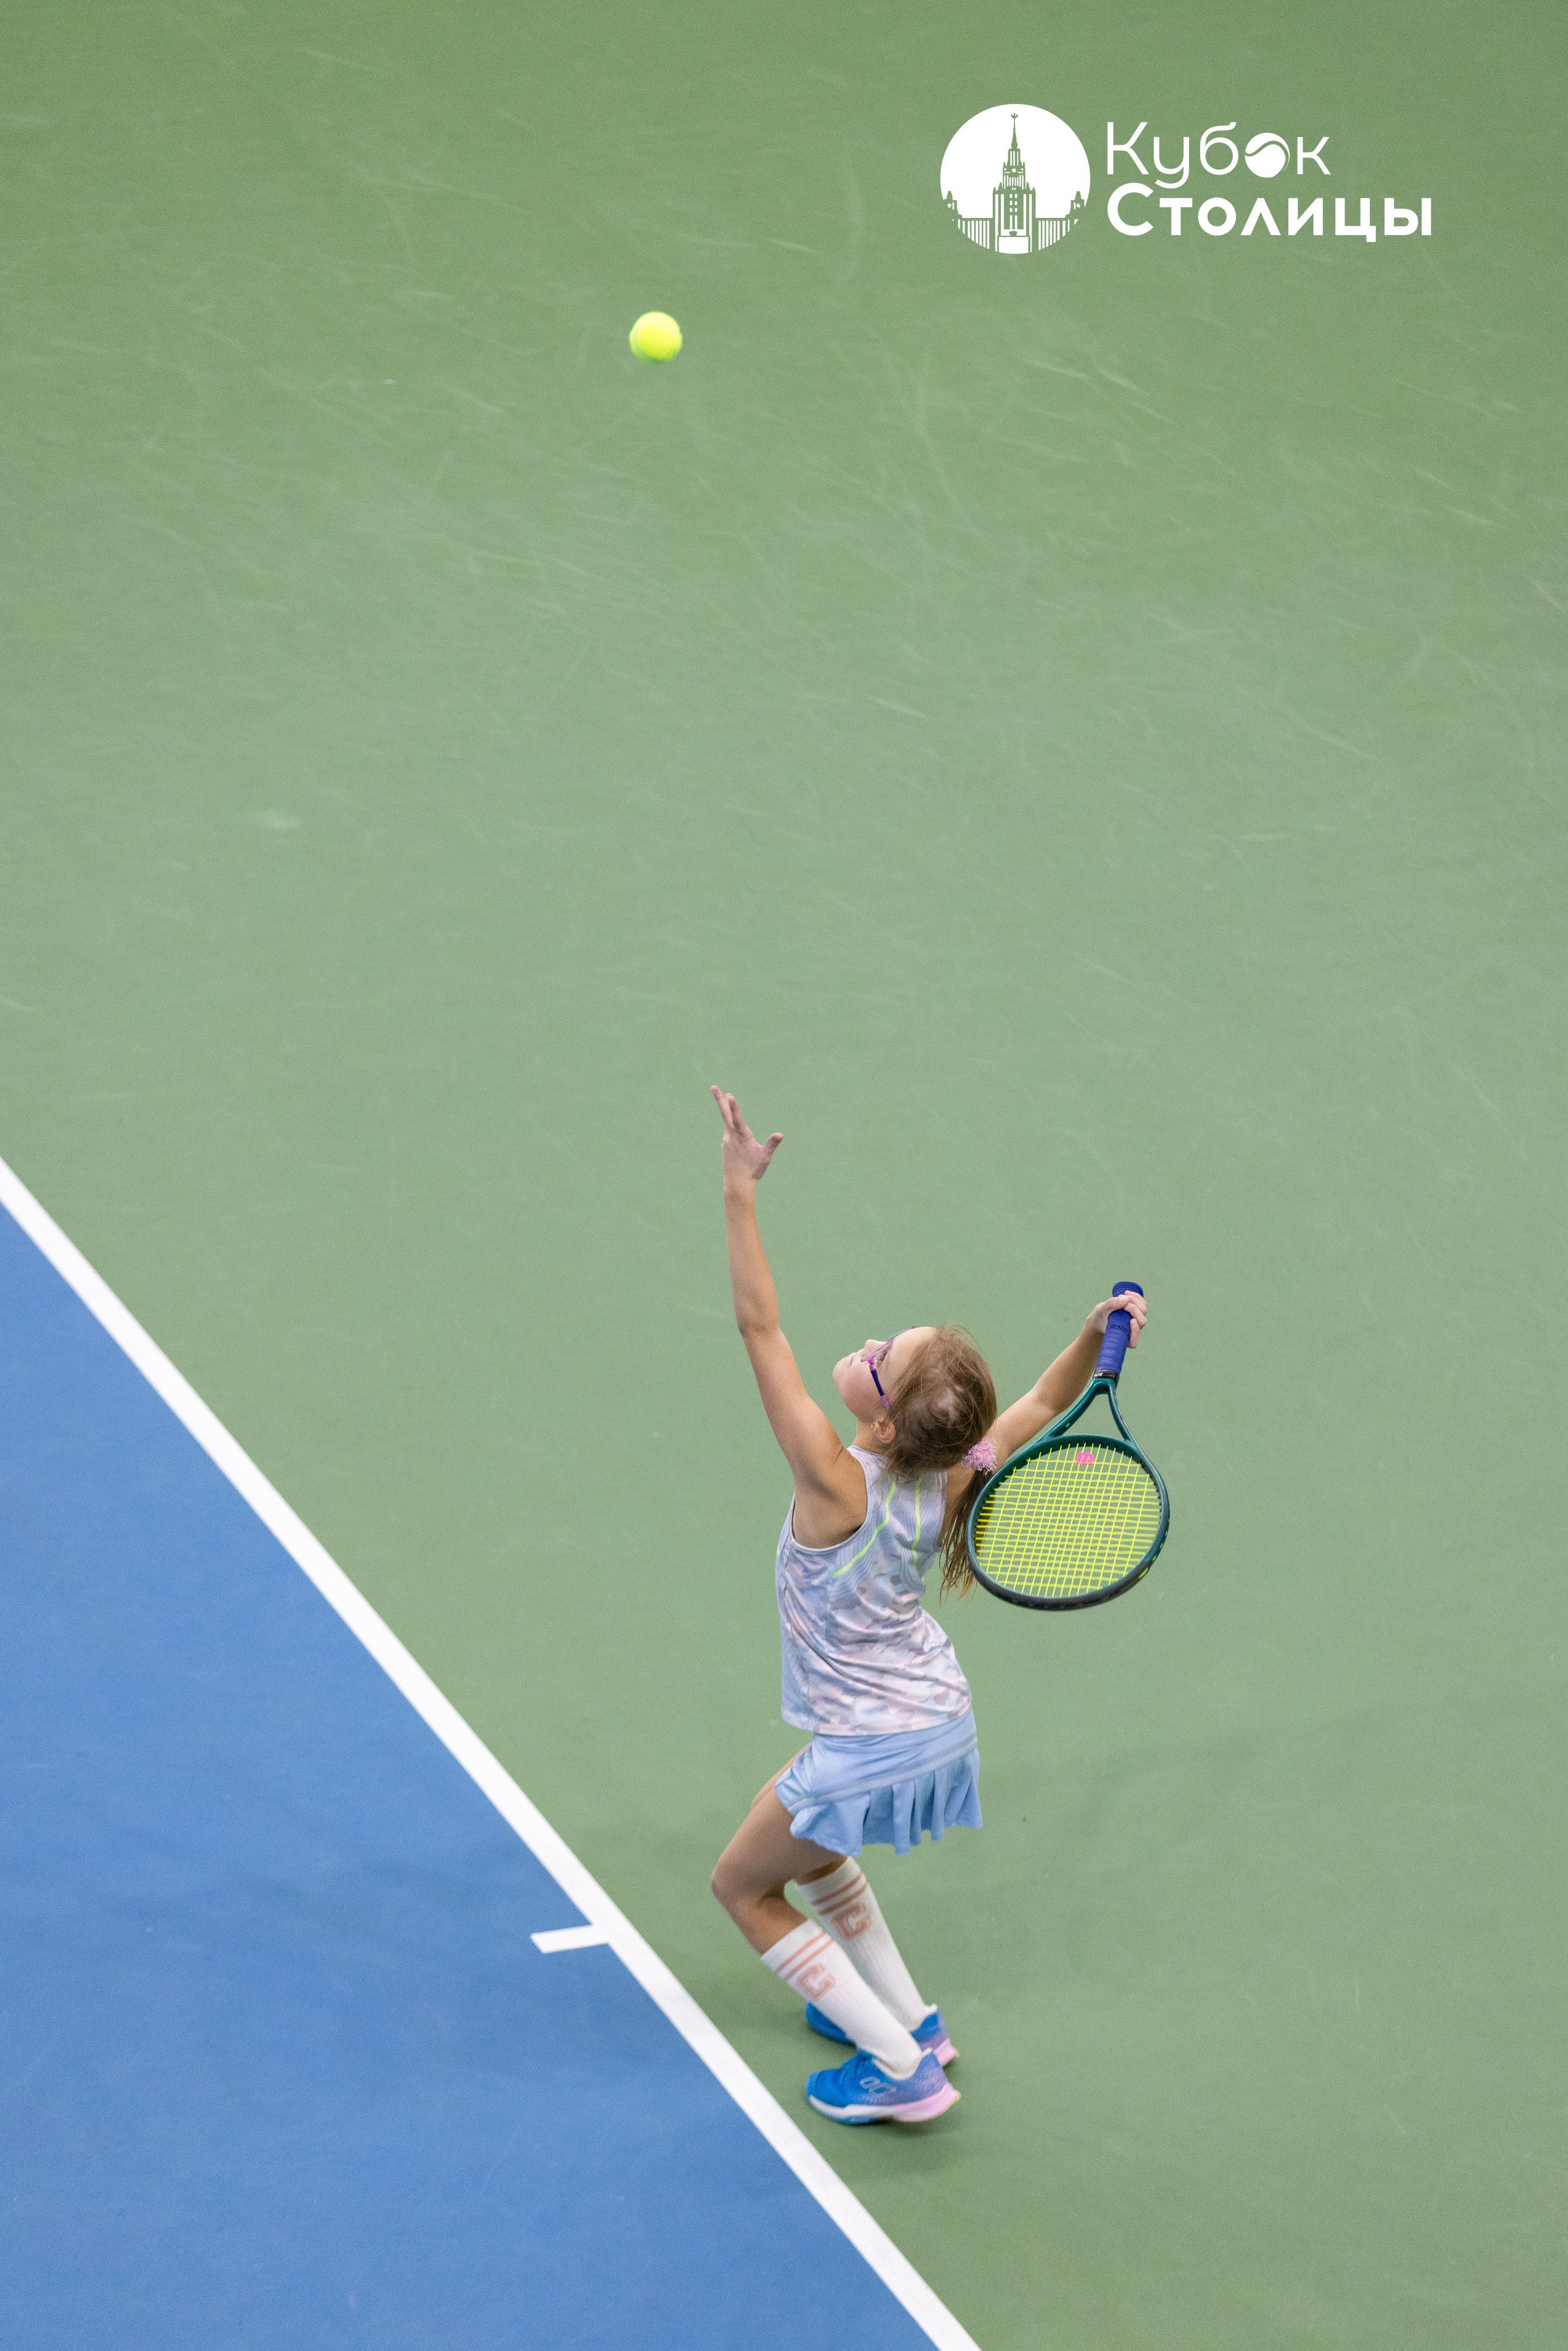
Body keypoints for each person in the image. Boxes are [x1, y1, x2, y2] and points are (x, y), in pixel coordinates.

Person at [707, 1087, 1148, 2125]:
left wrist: (737, 1191)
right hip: (940, 1719)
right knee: (816, 1845)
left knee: (743, 1885)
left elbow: (758, 1322)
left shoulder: (832, 1479)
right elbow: (1037, 1404)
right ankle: (914, 2017)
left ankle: (902, 2067)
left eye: (875, 1359)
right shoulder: (953, 1476)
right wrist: (1092, 1332)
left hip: (876, 1737)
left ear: (881, 1412)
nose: (862, 1349)